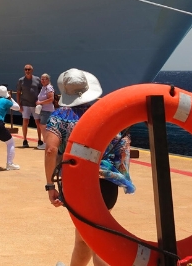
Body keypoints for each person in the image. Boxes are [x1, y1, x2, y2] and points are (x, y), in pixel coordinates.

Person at [44, 69, 135, 266]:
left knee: (95, 239)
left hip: (78, 185)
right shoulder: (103, 115)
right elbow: (122, 143)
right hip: (108, 184)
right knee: (84, 237)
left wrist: (50, 186)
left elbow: (51, 149)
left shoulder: (59, 117)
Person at [17, 64, 41, 147]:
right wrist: (19, 104)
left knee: (38, 122)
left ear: (32, 70)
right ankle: (24, 140)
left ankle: (40, 140)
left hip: (35, 104)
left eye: (29, 69)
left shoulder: (37, 79)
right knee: (25, 122)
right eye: (26, 69)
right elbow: (18, 92)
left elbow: (41, 91)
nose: (27, 71)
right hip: (25, 104)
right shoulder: (21, 80)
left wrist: (40, 101)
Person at [34, 73, 55, 150]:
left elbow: (51, 99)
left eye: (44, 79)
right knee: (44, 126)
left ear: (48, 80)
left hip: (47, 110)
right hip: (43, 110)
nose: (42, 80)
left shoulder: (49, 88)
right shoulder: (44, 87)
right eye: (41, 79)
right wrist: (38, 102)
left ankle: (46, 143)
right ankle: (46, 142)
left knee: (43, 126)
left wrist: (40, 103)